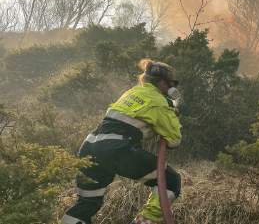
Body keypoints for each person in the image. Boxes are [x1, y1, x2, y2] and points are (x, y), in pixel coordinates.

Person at [61, 59, 183, 224]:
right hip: (116, 148)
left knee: (87, 203)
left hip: (89, 146)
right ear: (162, 82)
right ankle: (145, 220)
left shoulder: (132, 92)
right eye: (172, 83)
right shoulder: (159, 101)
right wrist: (171, 111)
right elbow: (174, 140)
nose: (172, 87)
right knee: (171, 181)